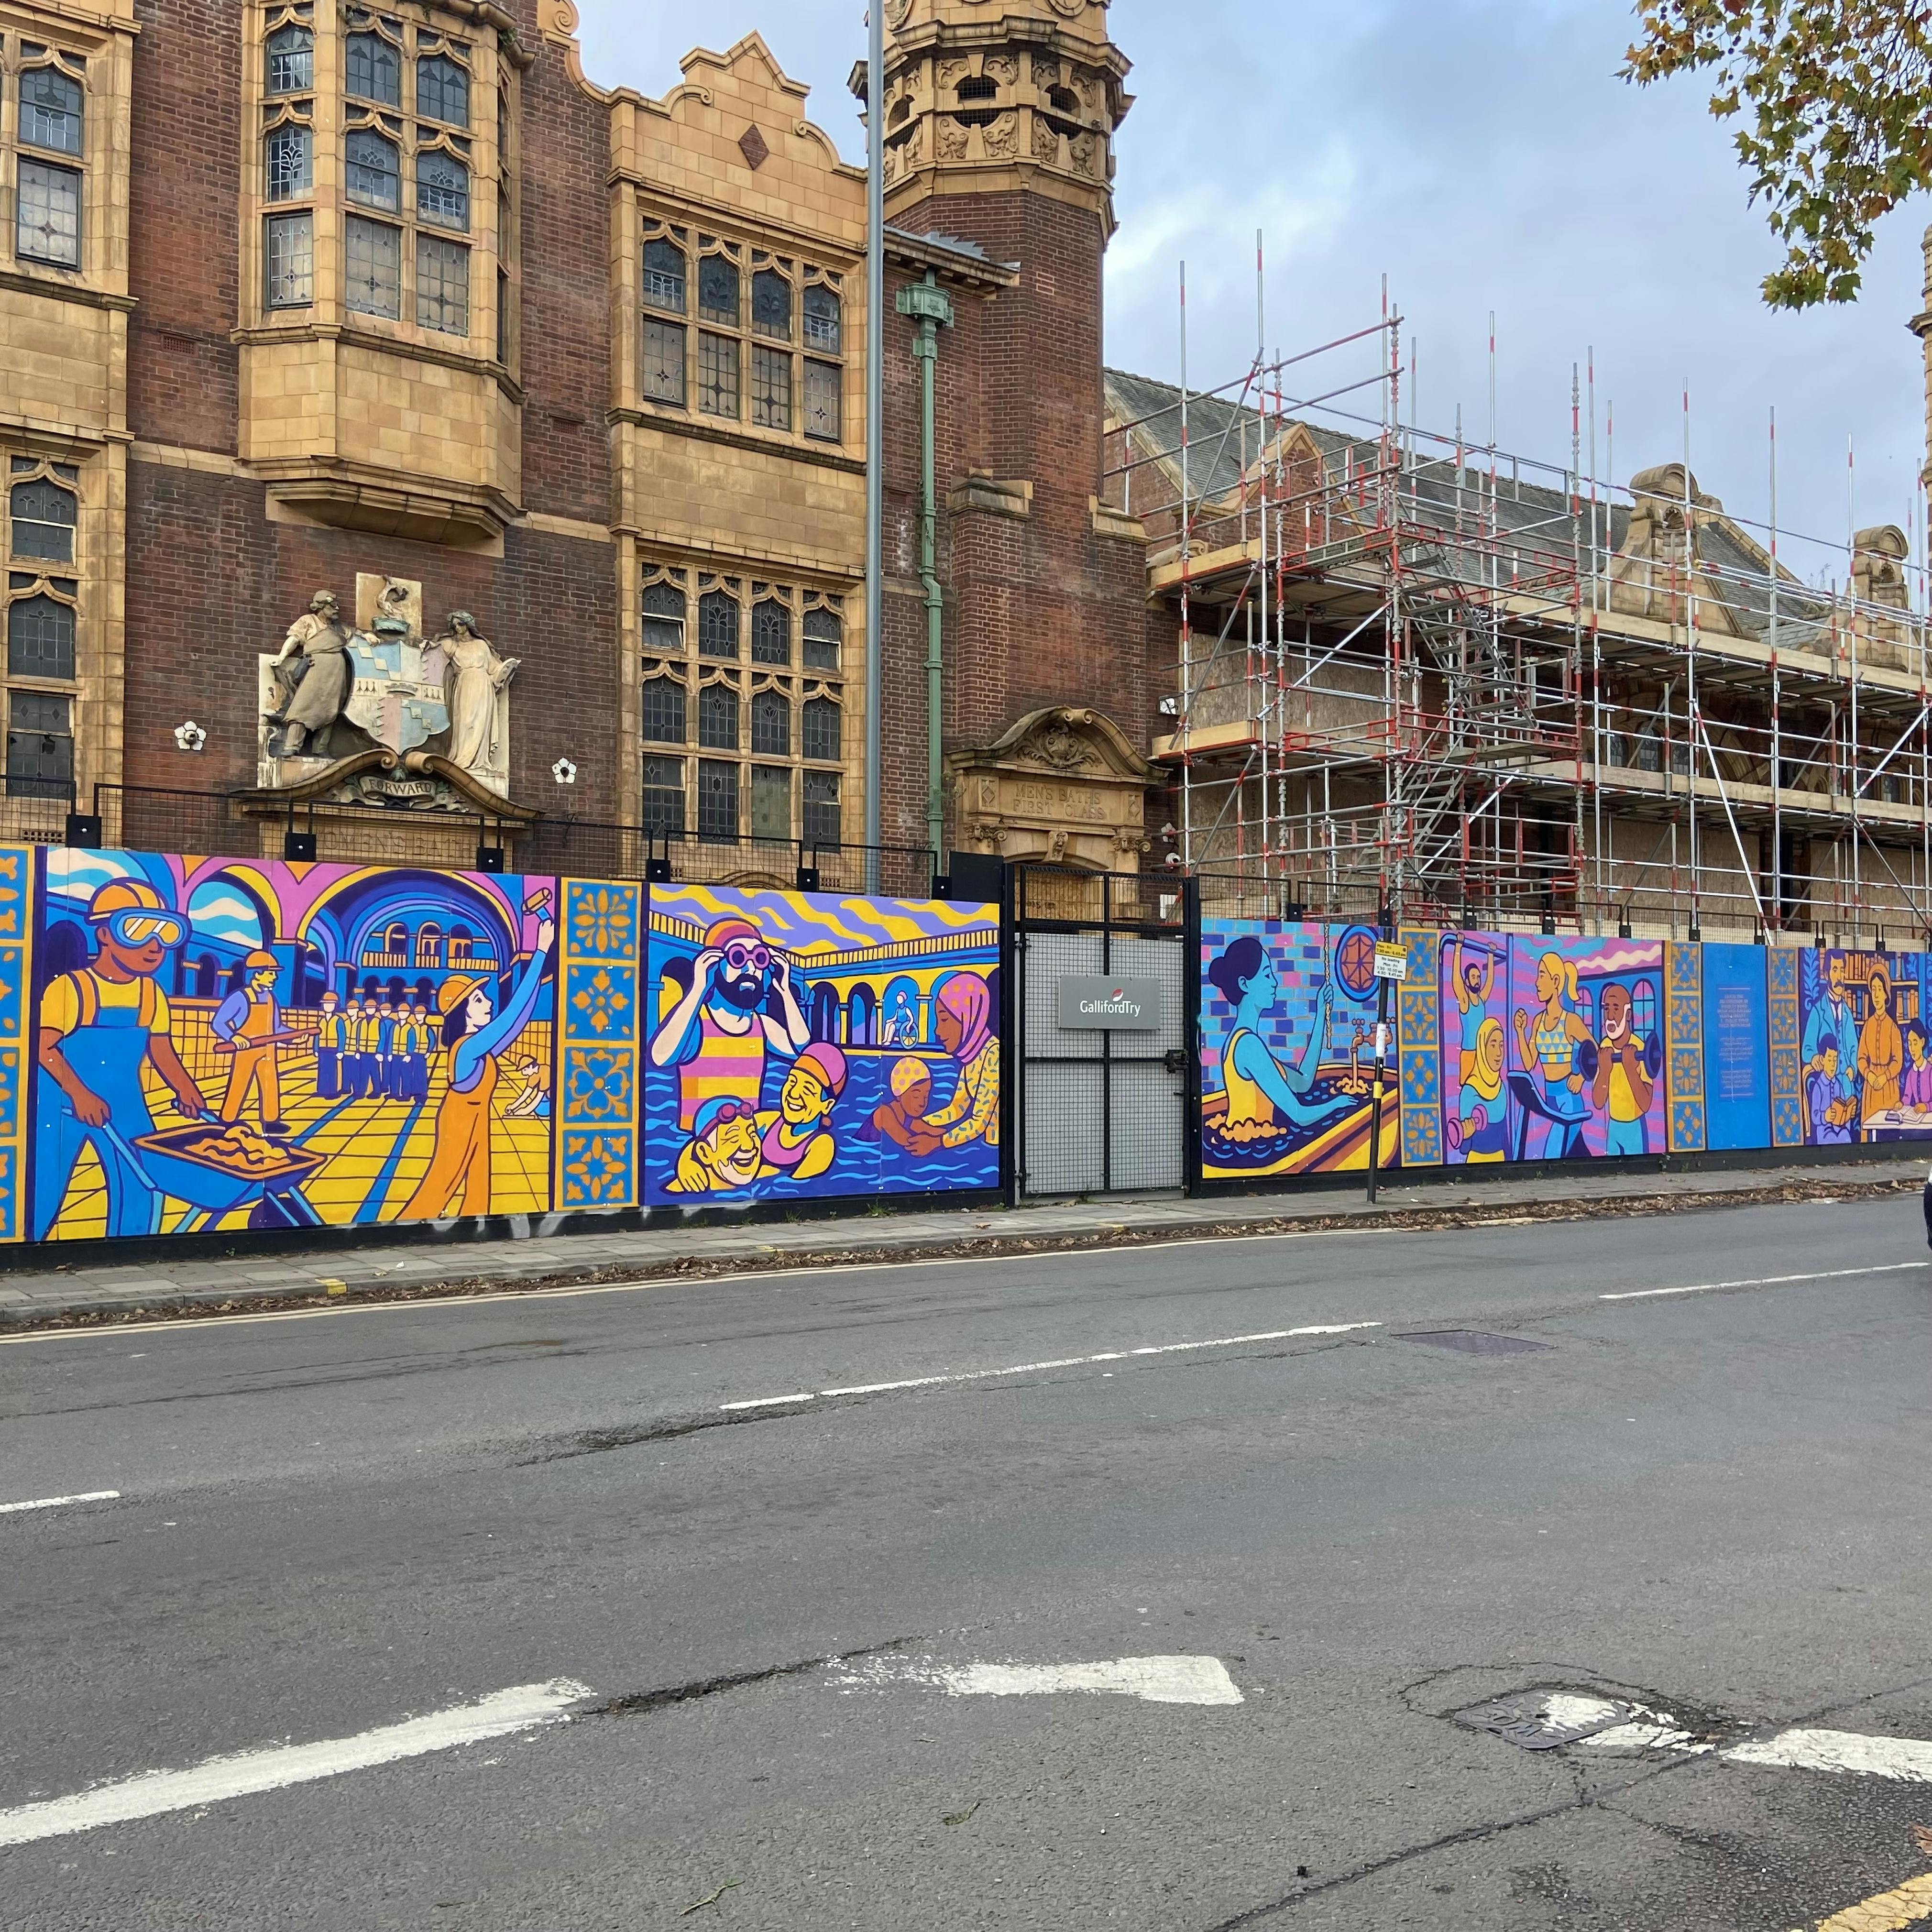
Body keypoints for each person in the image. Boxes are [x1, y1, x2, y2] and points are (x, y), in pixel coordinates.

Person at [33, 879, 207, 1240]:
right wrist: (80, 1095)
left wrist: (186, 1088)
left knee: (141, 1180)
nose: (154, 946)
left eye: (164, 933)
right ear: (105, 935)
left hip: (126, 1103)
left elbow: (160, 1049)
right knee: (45, 1183)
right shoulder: (72, 988)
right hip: (63, 1104)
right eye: (138, 930)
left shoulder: (151, 992)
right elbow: (44, 1047)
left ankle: (131, 1244)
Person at [400, 911, 554, 1219]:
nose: (489, 1003)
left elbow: (518, 1020)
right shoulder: (468, 1048)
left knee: (479, 1180)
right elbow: (510, 1017)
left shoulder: (480, 1046)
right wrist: (539, 952)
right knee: (443, 1181)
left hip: (476, 1115)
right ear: (463, 1011)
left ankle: (477, 1221)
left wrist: (540, 967)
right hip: (458, 1120)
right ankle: (409, 1221)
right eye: (480, 1000)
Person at [649, 915, 811, 1130]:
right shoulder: (697, 1025)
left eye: (759, 959)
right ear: (714, 963)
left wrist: (784, 990)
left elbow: (807, 1054)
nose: (750, 969)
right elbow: (661, 1057)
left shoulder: (762, 1027)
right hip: (701, 1146)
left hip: (747, 1145)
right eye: (738, 958)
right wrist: (699, 988)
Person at [1202, 935, 1348, 1142]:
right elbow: (1299, 1115)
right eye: (1267, 975)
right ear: (1245, 984)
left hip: (1249, 1141)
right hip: (1250, 1145)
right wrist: (1338, 1104)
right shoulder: (1249, 1046)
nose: (1275, 983)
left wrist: (1321, 1013)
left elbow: (1304, 1083)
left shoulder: (1244, 1042)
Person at [906, 973, 1001, 1153]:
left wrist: (937, 1143)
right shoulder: (972, 1056)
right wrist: (925, 1122)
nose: (937, 1031)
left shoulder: (993, 1055)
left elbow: (978, 1122)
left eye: (944, 1019)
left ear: (967, 1017)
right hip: (984, 1150)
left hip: (990, 1150)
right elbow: (957, 1108)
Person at [1514, 951, 1594, 1158]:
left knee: (1553, 1152)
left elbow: (1595, 1053)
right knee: (1576, 1151)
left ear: (1556, 981)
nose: (1537, 982)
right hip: (1549, 1100)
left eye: (1542, 976)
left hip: (1569, 1100)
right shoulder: (1538, 1021)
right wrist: (1520, 1032)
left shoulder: (1570, 1021)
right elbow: (1530, 1063)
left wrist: (1581, 1077)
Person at [266, 591, 352, 757]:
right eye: (333, 606)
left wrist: (370, 636)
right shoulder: (308, 621)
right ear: (321, 607)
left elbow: (356, 638)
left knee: (332, 709)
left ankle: (320, 748)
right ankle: (292, 745)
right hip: (315, 668)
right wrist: (281, 658)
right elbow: (294, 639)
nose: (337, 609)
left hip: (337, 672)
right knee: (302, 706)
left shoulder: (340, 628)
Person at [211, 949, 289, 1131]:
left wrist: (294, 1038)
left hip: (268, 1050)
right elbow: (218, 1022)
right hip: (246, 1050)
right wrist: (234, 1036)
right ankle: (228, 1120)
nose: (275, 978)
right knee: (239, 1082)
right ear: (257, 975)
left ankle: (271, 1122)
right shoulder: (241, 998)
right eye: (271, 973)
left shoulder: (271, 998)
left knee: (270, 1082)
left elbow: (278, 1027)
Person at [439, 612, 519, 779]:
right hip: (465, 684)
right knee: (465, 721)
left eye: (460, 624)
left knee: (481, 722)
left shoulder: (482, 645)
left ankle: (479, 761)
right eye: (454, 626)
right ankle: (463, 759)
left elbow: (494, 668)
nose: (457, 628)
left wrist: (507, 669)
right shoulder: (452, 645)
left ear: (468, 625)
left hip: (484, 685)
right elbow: (435, 651)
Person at [757, 1041, 846, 1180]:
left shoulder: (821, 1144)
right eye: (792, 1081)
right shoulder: (769, 1121)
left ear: (827, 1105)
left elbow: (790, 1186)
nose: (793, 1094)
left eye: (807, 1090)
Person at [1592, 982, 1654, 1156]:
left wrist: (1630, 1070)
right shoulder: (1604, 1047)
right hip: (1613, 1126)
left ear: (1628, 1015)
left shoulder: (1639, 1048)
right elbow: (1598, 1102)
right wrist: (1604, 1071)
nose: (1610, 1016)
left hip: (1635, 1127)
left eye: (1616, 1008)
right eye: (1607, 1009)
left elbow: (1646, 1104)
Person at [667, 1096, 764, 1194]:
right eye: (733, 1137)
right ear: (704, 1153)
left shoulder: (769, 1176)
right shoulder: (681, 1190)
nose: (748, 1146)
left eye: (752, 1133)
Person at [1802, 954, 1860, 1112]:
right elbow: (1807, 1048)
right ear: (1826, 974)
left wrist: (1852, 1069)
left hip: (1846, 1087)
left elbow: (1855, 1047)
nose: (1840, 976)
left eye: (1842, 970)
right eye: (1835, 970)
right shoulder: (1818, 1011)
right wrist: (1814, 1057)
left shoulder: (1848, 1013)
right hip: (1826, 1087)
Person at [1456, 1017, 1509, 1163]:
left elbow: (1505, 1136)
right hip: (1476, 1161)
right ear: (1482, 1047)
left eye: (1501, 1045)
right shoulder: (1470, 1091)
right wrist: (1467, 1135)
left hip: (1501, 1159)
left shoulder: (1501, 1087)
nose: (1499, 1052)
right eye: (1493, 1045)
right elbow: (1463, 1147)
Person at [1857, 967, 1903, 1125]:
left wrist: (1885, 1076)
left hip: (1888, 1086)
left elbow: (1898, 1061)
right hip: (1871, 1087)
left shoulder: (1893, 1028)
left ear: (1886, 994)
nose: (1876, 995)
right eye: (1873, 989)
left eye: (1880, 989)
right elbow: (1861, 1058)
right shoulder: (1868, 1025)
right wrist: (1869, 1075)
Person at [1451, 937, 1495, 1084]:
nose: (1477, 979)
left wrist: (1490, 955)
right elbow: (1456, 980)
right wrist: (1458, 947)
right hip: (1469, 1053)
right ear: (1467, 982)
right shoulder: (1465, 1002)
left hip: (1482, 1053)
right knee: (1468, 1086)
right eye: (1473, 977)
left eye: (1478, 976)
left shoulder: (1481, 1000)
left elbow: (1489, 982)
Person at [868, 1056, 934, 1151]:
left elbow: (932, 1131)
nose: (922, 1103)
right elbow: (909, 1142)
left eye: (926, 1096)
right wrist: (934, 1143)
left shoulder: (908, 1118)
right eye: (916, 1096)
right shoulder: (885, 1113)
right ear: (899, 1094)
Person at [1809, 1045, 1854, 1145]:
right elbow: (1815, 1115)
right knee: (1832, 1138)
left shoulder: (1838, 1085)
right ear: (1823, 1060)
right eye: (1830, 1060)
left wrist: (1848, 1114)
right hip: (1825, 1132)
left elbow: (1843, 1106)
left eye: (1835, 1060)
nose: (1833, 1065)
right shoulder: (1819, 1087)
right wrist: (1825, 1116)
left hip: (1839, 1129)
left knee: (1846, 1136)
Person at [314, 990, 347, 1100]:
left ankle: (333, 1092)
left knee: (332, 1071)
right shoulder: (321, 1020)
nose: (328, 1006)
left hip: (334, 1049)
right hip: (323, 1048)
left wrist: (341, 1051)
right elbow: (317, 1035)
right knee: (322, 1070)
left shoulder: (338, 1020)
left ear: (335, 1005)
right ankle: (322, 1090)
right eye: (326, 1004)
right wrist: (316, 1048)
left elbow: (342, 1036)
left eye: (331, 1004)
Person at [503, 1053, 551, 1120]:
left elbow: (539, 1097)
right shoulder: (533, 1075)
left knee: (541, 1110)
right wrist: (512, 1107)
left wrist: (524, 1111)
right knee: (538, 1109)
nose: (523, 1073)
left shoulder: (546, 1071)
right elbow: (526, 1094)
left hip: (550, 1104)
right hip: (543, 1103)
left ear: (531, 1067)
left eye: (525, 1070)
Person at [1903, 1022, 1932, 1112]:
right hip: (1917, 1119)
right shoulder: (1912, 1073)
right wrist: (1901, 1103)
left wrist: (1927, 1107)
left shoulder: (1930, 1071)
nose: (1912, 1049)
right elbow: (1907, 1097)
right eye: (1910, 1044)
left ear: (1922, 1042)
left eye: (1915, 1043)